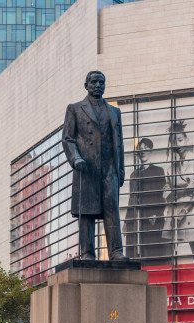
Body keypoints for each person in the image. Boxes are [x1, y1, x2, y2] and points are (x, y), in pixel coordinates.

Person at [62, 71, 128, 261]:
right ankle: (87, 252)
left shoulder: (114, 112)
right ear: (86, 85)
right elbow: (67, 138)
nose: (98, 85)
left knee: (112, 210)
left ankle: (116, 251)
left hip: (109, 168)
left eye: (101, 82)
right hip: (87, 167)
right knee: (87, 211)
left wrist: (120, 169)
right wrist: (76, 159)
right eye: (94, 82)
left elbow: (119, 142)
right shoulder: (75, 109)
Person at [163, 119, 194, 262]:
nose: (177, 144)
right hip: (174, 213)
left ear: (187, 140)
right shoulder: (170, 168)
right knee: (169, 255)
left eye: (180, 139)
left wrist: (184, 210)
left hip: (192, 212)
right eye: (174, 141)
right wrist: (186, 188)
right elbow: (166, 193)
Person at [123, 137, 168, 260]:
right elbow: (131, 199)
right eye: (140, 149)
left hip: (152, 218)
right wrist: (126, 221)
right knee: (133, 254)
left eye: (146, 149)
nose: (143, 151)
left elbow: (161, 196)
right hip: (136, 219)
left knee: (153, 253)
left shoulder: (158, 171)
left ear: (151, 151)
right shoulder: (134, 175)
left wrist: (156, 214)